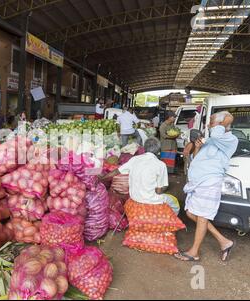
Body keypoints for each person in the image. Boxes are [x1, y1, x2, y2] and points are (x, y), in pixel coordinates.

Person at [175, 111, 238, 262]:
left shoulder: (229, 140)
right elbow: (197, 159)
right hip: (198, 183)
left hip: (209, 182)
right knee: (191, 213)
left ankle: (194, 252)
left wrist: (226, 120)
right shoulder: (210, 140)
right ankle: (224, 241)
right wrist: (196, 148)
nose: (208, 124)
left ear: (222, 124)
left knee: (202, 217)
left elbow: (216, 134)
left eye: (211, 121)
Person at [100, 137, 173, 206]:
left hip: (135, 198)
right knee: (173, 203)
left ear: (144, 149)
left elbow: (116, 171)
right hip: (151, 200)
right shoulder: (161, 165)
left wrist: (101, 179)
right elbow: (158, 191)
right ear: (158, 151)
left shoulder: (134, 159)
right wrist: (165, 187)